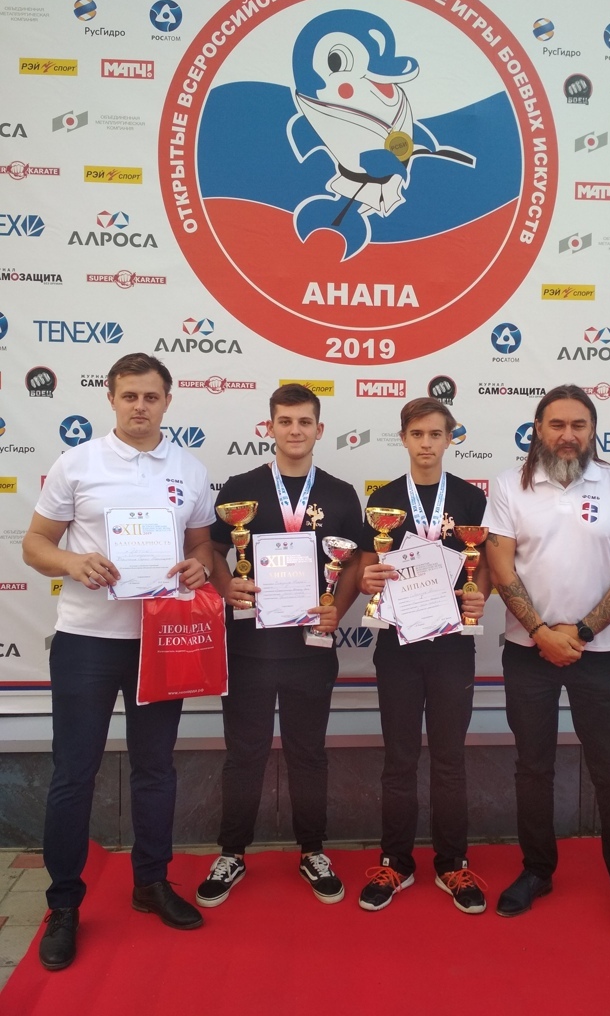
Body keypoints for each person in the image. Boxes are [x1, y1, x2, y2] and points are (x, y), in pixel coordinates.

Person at [22, 353, 215, 971]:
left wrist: (200, 567)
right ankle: (63, 904)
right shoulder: (77, 462)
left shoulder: (189, 468)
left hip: (159, 641)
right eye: (129, 395)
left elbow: (203, 545)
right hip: (86, 641)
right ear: (111, 399)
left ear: (167, 401)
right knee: (73, 773)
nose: (140, 406)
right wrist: (72, 562)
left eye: (151, 396)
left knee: (155, 769)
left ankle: (151, 882)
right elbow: (34, 544)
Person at [484, 384, 610, 938]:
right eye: (556, 424)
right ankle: (537, 871)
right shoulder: (508, 485)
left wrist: (578, 633)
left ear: (592, 430)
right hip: (526, 651)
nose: (567, 435)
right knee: (532, 768)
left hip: (597, 653)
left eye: (578, 425)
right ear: (538, 428)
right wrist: (541, 632)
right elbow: (500, 567)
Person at [195, 384, 362, 909]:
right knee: (244, 754)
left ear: (319, 429)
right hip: (248, 647)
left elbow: (355, 563)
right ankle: (232, 852)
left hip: (312, 648)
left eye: (304, 421)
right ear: (268, 428)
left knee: (307, 754)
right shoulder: (240, 488)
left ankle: (313, 850)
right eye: (285, 421)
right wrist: (226, 587)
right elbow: (211, 549)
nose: (294, 430)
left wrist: (339, 610)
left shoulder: (341, 493)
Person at [357, 398, 489, 914]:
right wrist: (367, 580)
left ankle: (453, 863)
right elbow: (367, 568)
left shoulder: (471, 499)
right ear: (404, 439)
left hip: (452, 646)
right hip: (397, 647)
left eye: (436, 434)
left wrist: (480, 596)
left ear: (451, 439)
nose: (427, 443)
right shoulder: (384, 499)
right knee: (400, 757)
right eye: (417, 434)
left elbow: (485, 567)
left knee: (450, 758)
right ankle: (395, 861)